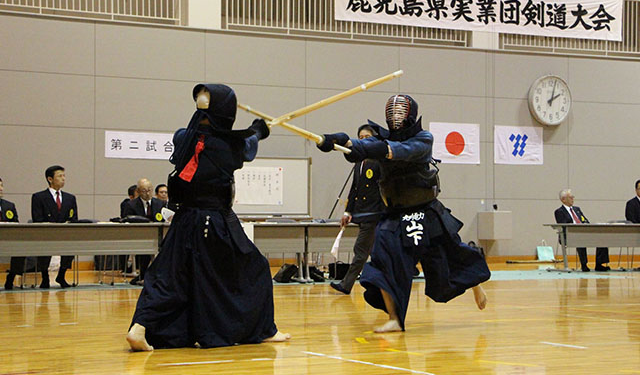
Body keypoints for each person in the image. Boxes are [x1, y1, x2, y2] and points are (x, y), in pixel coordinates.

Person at [126, 83, 289, 351]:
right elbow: (246, 145)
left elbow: (220, 139)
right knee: (255, 267)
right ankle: (264, 329)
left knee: (169, 276)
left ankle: (139, 328)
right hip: (215, 223)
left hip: (184, 221)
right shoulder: (231, 146)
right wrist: (259, 130)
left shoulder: (182, 137)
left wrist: (253, 132)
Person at [317, 94, 490, 333]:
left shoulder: (423, 139)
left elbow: (395, 150)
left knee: (449, 256)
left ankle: (476, 283)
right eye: (392, 112)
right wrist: (341, 142)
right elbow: (363, 151)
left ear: (410, 114)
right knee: (383, 262)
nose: (395, 117)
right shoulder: (381, 141)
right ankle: (395, 319)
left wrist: (357, 144)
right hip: (394, 215)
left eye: (400, 111)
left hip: (426, 212)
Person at [330, 124, 384, 295]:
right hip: (360, 213)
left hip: (374, 215)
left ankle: (347, 285)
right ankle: (382, 283)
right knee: (375, 253)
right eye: (360, 138)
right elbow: (355, 189)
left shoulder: (379, 162)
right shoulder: (359, 161)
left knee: (360, 251)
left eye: (367, 137)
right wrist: (348, 212)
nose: (363, 141)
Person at [31, 165, 78, 288]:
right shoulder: (39, 197)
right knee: (44, 248)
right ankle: (44, 277)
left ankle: (61, 275)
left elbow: (74, 219)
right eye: (59, 176)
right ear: (50, 179)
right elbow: (37, 218)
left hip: (65, 234)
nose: (63, 179)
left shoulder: (70, 198)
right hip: (46, 233)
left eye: (64, 176)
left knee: (71, 246)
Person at [122, 178, 166, 285]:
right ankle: (144, 275)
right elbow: (126, 220)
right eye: (144, 191)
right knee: (146, 248)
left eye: (149, 190)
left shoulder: (160, 204)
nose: (147, 193)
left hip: (158, 235)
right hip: (139, 236)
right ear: (138, 191)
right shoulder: (131, 205)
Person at [554, 189, 610, 272]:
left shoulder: (577, 209)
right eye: (570, 197)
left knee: (601, 237)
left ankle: (599, 264)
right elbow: (563, 225)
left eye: (573, 197)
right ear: (563, 199)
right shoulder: (559, 211)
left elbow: (585, 220)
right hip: (569, 235)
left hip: (583, 232)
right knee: (580, 239)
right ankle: (584, 265)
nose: (573, 199)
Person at [1, 177, 21, 290]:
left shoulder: (9, 206)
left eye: (1, 185)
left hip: (7, 239)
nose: (0, 189)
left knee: (21, 249)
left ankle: (11, 277)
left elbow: (16, 223)